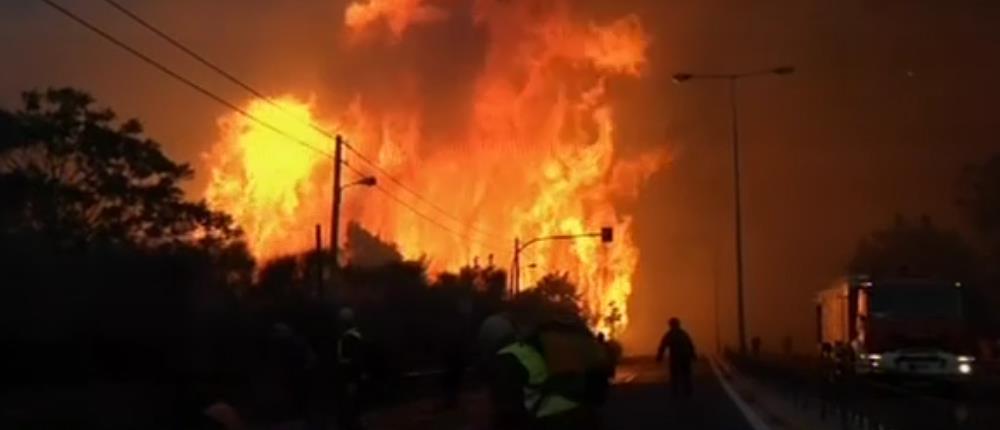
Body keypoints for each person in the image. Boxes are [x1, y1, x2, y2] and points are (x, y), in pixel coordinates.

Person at [335, 307, 366, 430]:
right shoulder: (350, 337)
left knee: (351, 407)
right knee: (350, 406)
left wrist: (351, 379)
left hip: (350, 377)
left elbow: (355, 360)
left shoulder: (351, 338)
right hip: (348, 377)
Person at [656, 317, 696, 397]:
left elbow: (663, 346)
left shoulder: (669, 334)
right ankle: (688, 390)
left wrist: (659, 356)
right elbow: (690, 345)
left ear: (670, 325)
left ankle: (675, 391)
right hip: (685, 357)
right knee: (686, 374)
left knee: (675, 375)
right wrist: (693, 355)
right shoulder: (683, 333)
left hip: (676, 358)